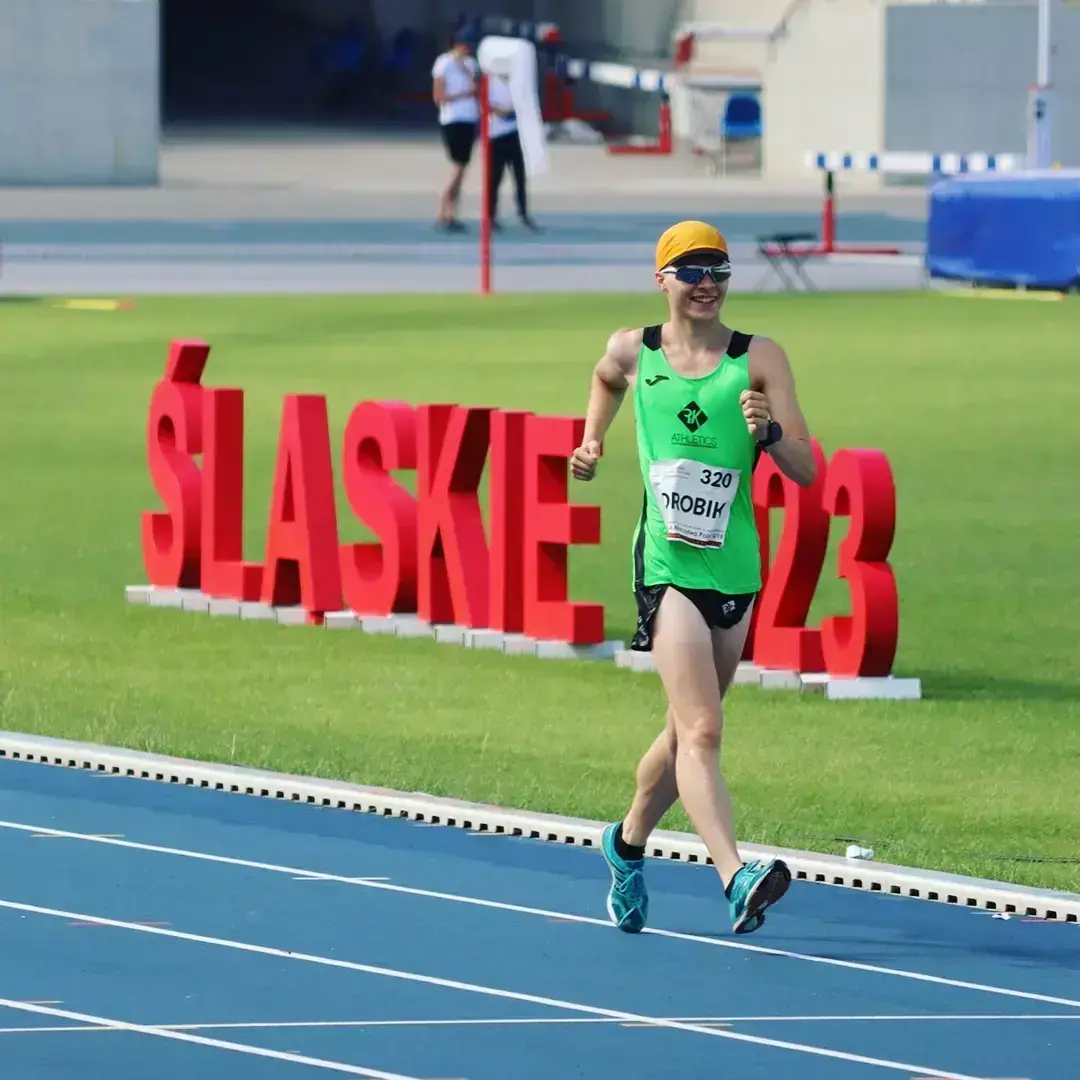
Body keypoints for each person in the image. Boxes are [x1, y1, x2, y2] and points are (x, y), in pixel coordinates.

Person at [570, 220, 817, 936]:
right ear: (663, 280)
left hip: (735, 570)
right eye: (692, 270)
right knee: (705, 728)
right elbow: (605, 376)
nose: (707, 282)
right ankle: (736, 877)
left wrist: (769, 434)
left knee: (683, 737)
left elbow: (807, 469)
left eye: (719, 270)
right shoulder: (634, 349)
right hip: (667, 567)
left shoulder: (758, 359)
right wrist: (594, 438)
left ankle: (625, 844)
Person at [431, 27, 480, 232]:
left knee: (463, 167)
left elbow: (477, 89)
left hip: (469, 118)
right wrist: (464, 94)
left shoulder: (471, 64)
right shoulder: (444, 63)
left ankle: (451, 213)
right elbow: (438, 97)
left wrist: (469, 75)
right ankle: (443, 208)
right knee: (458, 166)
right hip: (453, 119)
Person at [486, 73, 540, 233]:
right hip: (496, 134)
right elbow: (485, 103)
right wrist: (500, 110)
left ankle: (523, 214)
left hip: (517, 134)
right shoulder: (490, 82)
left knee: (520, 177)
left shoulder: (518, 81)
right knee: (494, 178)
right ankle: (490, 216)